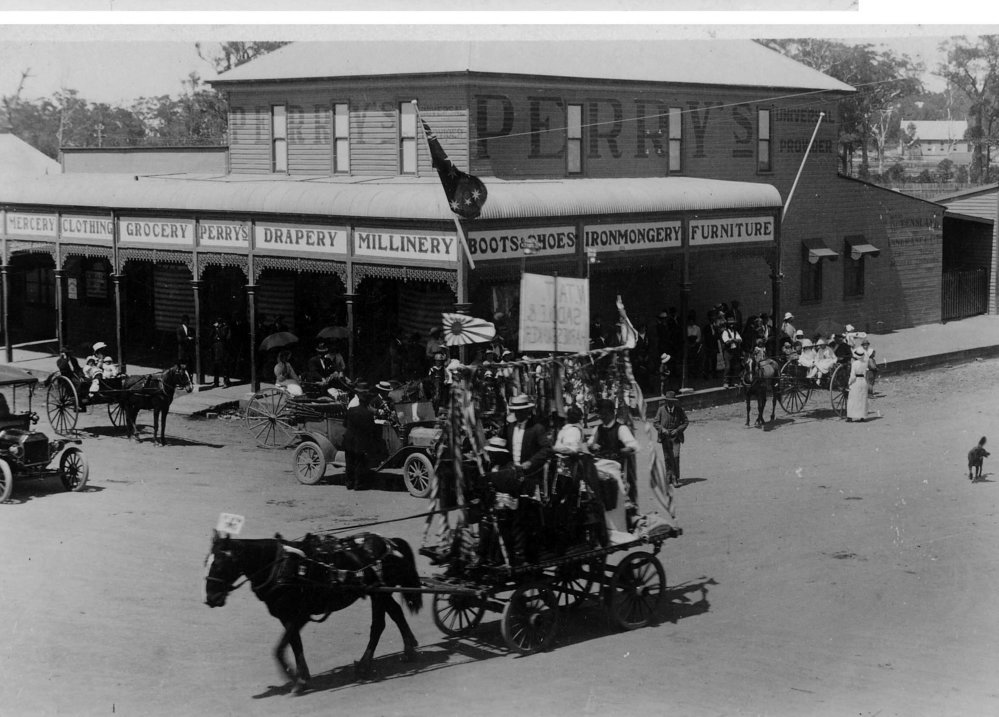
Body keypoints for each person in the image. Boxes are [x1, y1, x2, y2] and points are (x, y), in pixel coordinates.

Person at [587, 398, 639, 504]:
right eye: (600, 414)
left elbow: (634, 446)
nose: (602, 417)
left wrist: (625, 449)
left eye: (604, 414)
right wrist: (592, 446)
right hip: (601, 467)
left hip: (616, 466)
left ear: (612, 413)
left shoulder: (621, 429)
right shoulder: (598, 429)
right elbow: (590, 444)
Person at [506, 393, 553, 492]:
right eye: (516, 411)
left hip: (530, 473)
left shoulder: (536, 428)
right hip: (512, 472)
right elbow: (507, 448)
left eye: (521, 411)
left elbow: (547, 448)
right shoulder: (510, 427)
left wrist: (531, 462)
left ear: (527, 411)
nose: (518, 414)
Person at [343, 390, 379, 490]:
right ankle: (358, 485)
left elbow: (344, 424)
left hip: (349, 440)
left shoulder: (351, 410)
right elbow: (371, 428)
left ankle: (349, 484)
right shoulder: (368, 414)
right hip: (360, 442)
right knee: (359, 463)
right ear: (367, 403)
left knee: (349, 463)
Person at [653, 391, 689, 488]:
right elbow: (655, 423)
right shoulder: (661, 410)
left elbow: (686, 422)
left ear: (675, 402)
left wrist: (678, 430)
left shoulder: (679, 410)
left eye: (672, 401)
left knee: (676, 456)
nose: (669, 403)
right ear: (665, 401)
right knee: (667, 457)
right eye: (668, 401)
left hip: (676, 437)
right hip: (665, 437)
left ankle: (675, 478)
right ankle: (668, 477)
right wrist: (662, 429)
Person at [845, 345, 870, 422]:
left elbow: (853, 376)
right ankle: (862, 417)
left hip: (856, 382)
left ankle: (850, 417)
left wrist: (849, 383)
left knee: (853, 399)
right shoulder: (865, 363)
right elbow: (865, 374)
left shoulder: (854, 363)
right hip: (863, 381)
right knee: (862, 399)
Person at [209, 317, 232, 388]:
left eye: (219, 323)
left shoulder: (226, 328)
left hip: (223, 349)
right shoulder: (215, 328)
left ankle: (226, 382)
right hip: (216, 349)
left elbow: (223, 337)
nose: (218, 324)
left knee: (225, 366)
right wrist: (213, 329)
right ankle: (216, 382)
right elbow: (210, 336)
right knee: (216, 366)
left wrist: (218, 329)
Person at [720, 316, 743, 387]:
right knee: (728, 367)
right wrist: (734, 340)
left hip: (735, 351)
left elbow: (740, 340)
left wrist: (733, 340)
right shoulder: (725, 332)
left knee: (735, 366)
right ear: (727, 325)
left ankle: (733, 382)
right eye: (730, 324)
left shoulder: (735, 332)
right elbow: (727, 342)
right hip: (728, 352)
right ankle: (726, 382)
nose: (731, 325)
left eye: (733, 323)